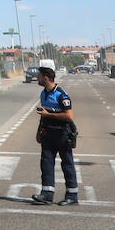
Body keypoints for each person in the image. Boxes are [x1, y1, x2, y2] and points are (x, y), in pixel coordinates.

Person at [31, 66, 78, 205]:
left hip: (62, 133)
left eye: (39, 76)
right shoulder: (43, 93)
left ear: (45, 78)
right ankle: (46, 194)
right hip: (47, 133)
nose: (37, 78)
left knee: (67, 164)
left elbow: (69, 116)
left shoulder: (61, 95)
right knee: (46, 163)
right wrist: (39, 130)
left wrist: (49, 114)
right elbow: (42, 114)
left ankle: (72, 196)